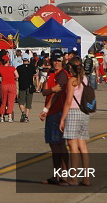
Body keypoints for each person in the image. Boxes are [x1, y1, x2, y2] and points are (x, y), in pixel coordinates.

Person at [59, 57, 91, 186]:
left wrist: (62, 118)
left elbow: (68, 101)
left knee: (72, 146)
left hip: (73, 112)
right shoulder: (84, 79)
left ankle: (73, 177)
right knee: (83, 146)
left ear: (71, 67)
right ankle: (87, 178)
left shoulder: (72, 80)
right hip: (84, 113)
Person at [39, 51, 70, 185]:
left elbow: (59, 91)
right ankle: (57, 175)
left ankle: (64, 175)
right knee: (53, 145)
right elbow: (44, 91)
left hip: (58, 112)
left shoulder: (63, 74)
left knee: (60, 145)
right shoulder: (51, 74)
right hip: (51, 113)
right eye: (54, 61)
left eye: (58, 60)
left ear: (62, 61)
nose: (56, 63)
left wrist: (46, 108)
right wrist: (51, 90)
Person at [0, 56, 18, 122]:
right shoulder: (12, 68)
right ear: (8, 61)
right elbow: (17, 75)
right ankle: (10, 117)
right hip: (12, 85)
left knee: (3, 101)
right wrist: (13, 78)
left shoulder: (0, 69)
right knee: (10, 102)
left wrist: (2, 79)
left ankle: (2, 117)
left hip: (4, 85)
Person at [16, 53, 36, 123]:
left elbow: (17, 76)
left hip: (22, 86)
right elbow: (34, 76)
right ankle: (26, 116)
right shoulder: (32, 67)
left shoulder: (19, 68)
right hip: (30, 86)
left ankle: (23, 112)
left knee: (21, 102)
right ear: (28, 59)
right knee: (29, 102)